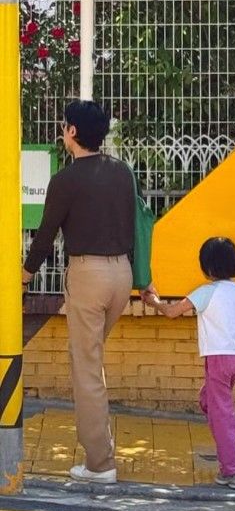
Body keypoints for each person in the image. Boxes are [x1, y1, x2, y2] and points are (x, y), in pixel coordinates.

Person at [22, 100, 157, 485]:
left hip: (88, 275)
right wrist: (143, 277)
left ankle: (100, 464)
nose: (63, 131)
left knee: (86, 370)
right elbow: (138, 224)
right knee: (91, 361)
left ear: (74, 133)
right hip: (122, 274)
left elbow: (46, 236)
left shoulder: (66, 179)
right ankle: (100, 454)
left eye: (65, 126)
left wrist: (25, 275)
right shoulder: (122, 172)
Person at [143, 236, 235, 489]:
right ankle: (232, 444)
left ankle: (232, 471)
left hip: (218, 359)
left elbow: (172, 312)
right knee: (210, 402)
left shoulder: (206, 293)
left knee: (220, 411)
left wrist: (153, 302)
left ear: (208, 267)